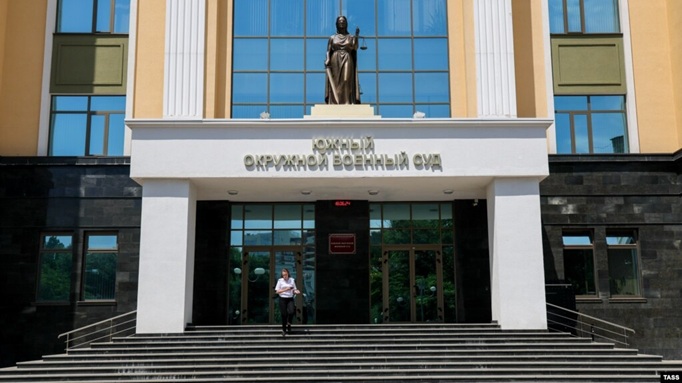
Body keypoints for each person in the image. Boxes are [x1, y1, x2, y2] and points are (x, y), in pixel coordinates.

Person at [325, 16, 361, 105]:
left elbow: (355, 47)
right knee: (336, 81)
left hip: (347, 57)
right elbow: (328, 50)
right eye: (340, 21)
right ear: (337, 24)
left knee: (346, 80)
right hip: (335, 59)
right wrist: (328, 59)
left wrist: (356, 36)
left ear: (346, 24)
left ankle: (347, 102)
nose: (342, 23)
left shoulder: (351, 37)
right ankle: (335, 102)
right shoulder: (332, 38)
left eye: (343, 21)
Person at [274, 268, 300, 336]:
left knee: (291, 311)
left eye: (285, 275)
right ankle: (284, 330)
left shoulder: (292, 280)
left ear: (288, 274)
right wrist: (286, 289)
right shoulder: (280, 281)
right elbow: (277, 291)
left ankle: (289, 322)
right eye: (283, 275)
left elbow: (294, 289)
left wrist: (296, 291)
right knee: (284, 314)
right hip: (282, 299)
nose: (284, 276)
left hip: (290, 298)